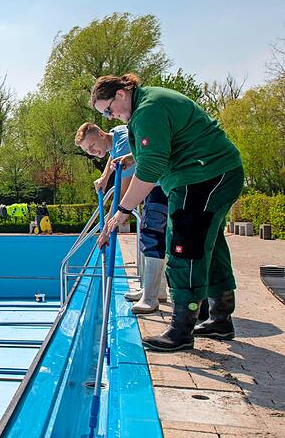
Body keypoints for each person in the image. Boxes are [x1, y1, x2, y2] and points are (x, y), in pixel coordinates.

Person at [93, 73, 244, 352]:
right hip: (215, 172)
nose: (110, 117)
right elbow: (164, 145)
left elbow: (151, 170)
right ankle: (220, 319)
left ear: (122, 94)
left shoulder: (147, 110)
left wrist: (122, 211)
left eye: (109, 110)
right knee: (210, 246)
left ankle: (181, 331)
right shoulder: (149, 102)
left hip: (202, 177)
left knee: (184, 249)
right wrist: (131, 157)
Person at [75, 122, 169, 314]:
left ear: (101, 134)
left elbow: (122, 195)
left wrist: (107, 230)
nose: (92, 152)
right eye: (87, 150)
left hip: (161, 185)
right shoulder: (116, 134)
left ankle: (151, 298)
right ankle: (154, 291)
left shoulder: (124, 142)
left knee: (151, 235)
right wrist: (104, 177)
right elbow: (113, 160)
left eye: (92, 145)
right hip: (154, 184)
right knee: (150, 235)